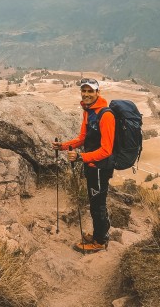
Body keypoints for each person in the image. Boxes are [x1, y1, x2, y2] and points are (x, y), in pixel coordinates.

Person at [53, 77, 115, 253]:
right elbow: (83, 138)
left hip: (100, 167)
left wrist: (81, 157)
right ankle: (99, 234)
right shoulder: (88, 111)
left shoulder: (106, 115)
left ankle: (99, 241)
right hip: (92, 165)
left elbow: (106, 150)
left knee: (98, 204)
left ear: (97, 92)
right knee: (95, 202)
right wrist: (64, 146)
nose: (86, 94)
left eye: (90, 91)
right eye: (84, 91)